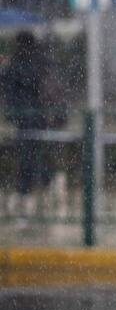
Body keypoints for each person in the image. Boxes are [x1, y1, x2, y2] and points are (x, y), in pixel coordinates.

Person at [1, 31, 54, 196]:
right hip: (35, 113)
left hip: (24, 114)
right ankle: (45, 180)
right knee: (33, 149)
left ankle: (28, 186)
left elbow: (10, 84)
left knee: (27, 151)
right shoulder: (38, 61)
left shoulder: (19, 63)